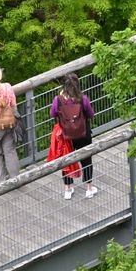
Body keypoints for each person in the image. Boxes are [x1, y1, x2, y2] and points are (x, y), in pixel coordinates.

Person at [51, 71, 98, 200]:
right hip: (83, 134)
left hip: (66, 136)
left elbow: (53, 114)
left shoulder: (58, 100)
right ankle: (89, 188)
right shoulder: (83, 99)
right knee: (86, 160)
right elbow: (90, 114)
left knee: (66, 160)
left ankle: (68, 188)